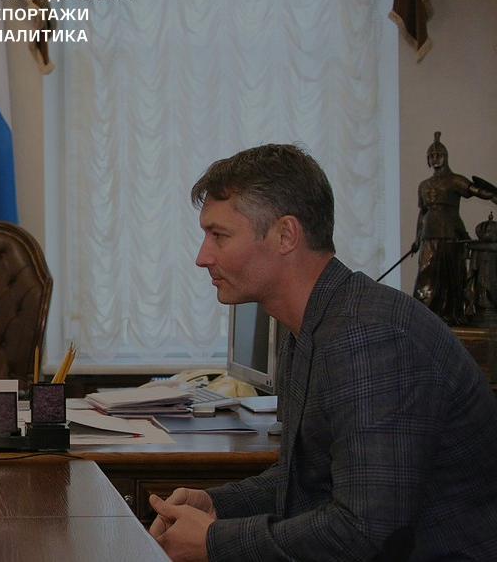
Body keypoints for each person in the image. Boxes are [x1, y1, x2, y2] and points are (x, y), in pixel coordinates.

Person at [148, 144, 497, 561]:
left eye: (219, 235)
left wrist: (215, 542)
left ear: (285, 235)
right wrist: (217, 504)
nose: (202, 257)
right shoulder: (312, 326)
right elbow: (306, 480)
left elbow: (365, 533)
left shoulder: (368, 337)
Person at [412, 132, 496, 324]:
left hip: (451, 233)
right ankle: (424, 315)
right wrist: (417, 238)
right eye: (431, 156)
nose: (435, 159)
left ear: (445, 157)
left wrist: (491, 195)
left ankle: (450, 314)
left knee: (451, 275)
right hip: (429, 235)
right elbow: (423, 213)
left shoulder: (455, 180)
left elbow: (474, 190)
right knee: (426, 274)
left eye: (438, 155)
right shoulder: (424, 185)